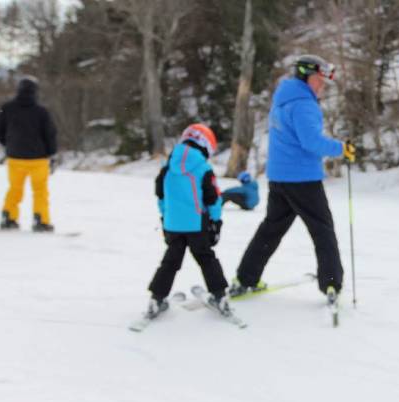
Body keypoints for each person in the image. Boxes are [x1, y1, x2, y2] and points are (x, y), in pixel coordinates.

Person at [231, 54, 356, 303]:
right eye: (319, 79)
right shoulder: (303, 104)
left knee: (271, 229)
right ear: (306, 76)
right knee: (322, 230)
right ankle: (331, 284)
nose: (322, 85)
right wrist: (342, 148)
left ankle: (246, 279)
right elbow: (311, 142)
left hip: (280, 178)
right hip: (303, 179)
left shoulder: (283, 99)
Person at [145, 123, 229, 317]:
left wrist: (165, 217)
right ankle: (219, 295)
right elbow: (213, 198)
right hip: (197, 224)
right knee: (206, 258)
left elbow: (161, 196)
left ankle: (156, 298)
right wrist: (216, 222)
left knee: (170, 262)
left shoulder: (167, 167)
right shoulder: (203, 167)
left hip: (173, 224)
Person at [0, 76, 58, 231]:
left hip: (15, 157)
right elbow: (50, 134)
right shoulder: (41, 111)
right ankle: (41, 220)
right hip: (38, 158)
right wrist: (51, 153)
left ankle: (8, 216)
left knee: (15, 188)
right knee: (40, 191)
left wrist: (8, 145)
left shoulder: (7, 108)